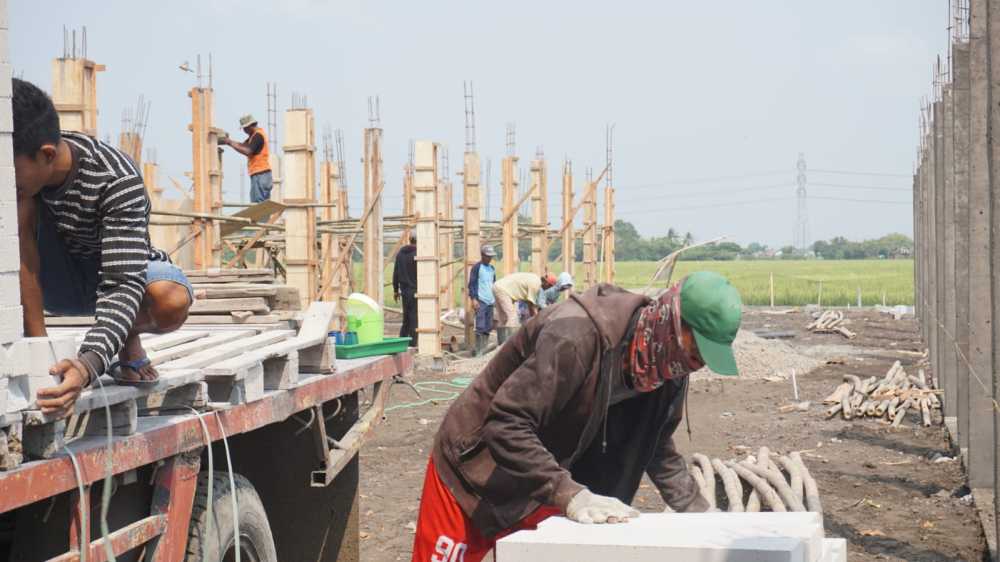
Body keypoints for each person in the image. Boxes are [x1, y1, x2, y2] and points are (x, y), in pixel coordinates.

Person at [411, 272, 742, 562]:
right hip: (472, 470)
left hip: (540, 478)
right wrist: (571, 494)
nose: (696, 364)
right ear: (672, 321)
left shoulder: (666, 367)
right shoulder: (575, 336)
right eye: (695, 349)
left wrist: (701, 515)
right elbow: (505, 423)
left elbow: (657, 446)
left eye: (704, 358)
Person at [12, 79, 193, 417]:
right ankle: (108, 338)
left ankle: (126, 338)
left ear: (46, 154)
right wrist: (42, 364)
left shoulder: (116, 180)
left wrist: (87, 365)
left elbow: (122, 283)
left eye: (11, 172)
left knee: (170, 300)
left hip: (120, 274)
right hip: (60, 283)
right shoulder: (24, 187)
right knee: (20, 206)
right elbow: (25, 260)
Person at [220, 114, 272, 203]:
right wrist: (229, 141)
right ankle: (261, 217)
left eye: (244, 128)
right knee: (258, 204)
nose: (244, 131)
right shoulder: (253, 136)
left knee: (258, 205)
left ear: (249, 126)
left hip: (260, 174)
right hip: (261, 174)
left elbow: (247, 151)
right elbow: (243, 145)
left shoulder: (258, 136)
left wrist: (229, 142)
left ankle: (261, 218)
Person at [491, 271, 554, 343]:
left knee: (503, 319)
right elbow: (531, 305)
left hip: (497, 286)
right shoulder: (536, 284)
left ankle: (501, 345)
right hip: (503, 291)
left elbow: (529, 303)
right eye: (549, 286)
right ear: (546, 282)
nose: (548, 288)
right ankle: (507, 345)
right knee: (512, 317)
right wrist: (537, 321)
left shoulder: (534, 279)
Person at [467, 245, 497, 356]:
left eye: (491, 256)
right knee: (480, 326)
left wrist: (495, 299)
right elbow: (472, 284)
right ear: (483, 255)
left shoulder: (492, 269)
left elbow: (494, 284)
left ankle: (484, 351)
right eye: (487, 256)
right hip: (481, 301)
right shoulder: (477, 268)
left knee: (488, 327)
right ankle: (479, 351)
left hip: (490, 301)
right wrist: (474, 299)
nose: (489, 258)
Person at [393, 236, 418, 345]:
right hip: (416, 291)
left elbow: (396, 273)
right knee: (414, 318)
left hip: (404, 291)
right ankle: (412, 344)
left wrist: (395, 290)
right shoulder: (418, 254)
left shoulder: (400, 254)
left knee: (406, 318)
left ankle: (401, 341)